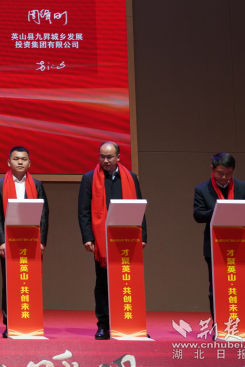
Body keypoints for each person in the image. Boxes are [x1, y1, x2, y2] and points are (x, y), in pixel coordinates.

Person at [77, 141, 146, 340]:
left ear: (118, 157)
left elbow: (139, 207)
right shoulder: (89, 178)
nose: (105, 160)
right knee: (103, 283)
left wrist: (143, 236)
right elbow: (83, 211)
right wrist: (88, 237)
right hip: (102, 240)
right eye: (102, 156)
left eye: (109, 157)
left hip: (127, 238)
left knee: (129, 281)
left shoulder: (130, 177)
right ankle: (103, 325)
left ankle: (130, 322)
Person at [0, 146, 49, 338]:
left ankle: (30, 320)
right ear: (9, 162)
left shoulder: (37, 185)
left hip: (31, 241)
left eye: (24, 159)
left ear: (29, 163)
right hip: (8, 242)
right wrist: (1, 241)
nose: (20, 162)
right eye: (16, 159)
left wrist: (42, 241)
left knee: (30, 282)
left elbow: (44, 214)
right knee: (9, 283)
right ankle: (10, 322)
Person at [193, 152, 245, 321]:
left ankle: (241, 325)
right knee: (217, 286)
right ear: (212, 169)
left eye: (228, 173)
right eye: (220, 173)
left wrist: (241, 222)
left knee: (240, 284)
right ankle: (219, 324)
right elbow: (198, 215)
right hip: (214, 244)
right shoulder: (202, 189)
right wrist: (218, 210)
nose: (224, 177)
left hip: (240, 242)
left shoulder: (242, 186)